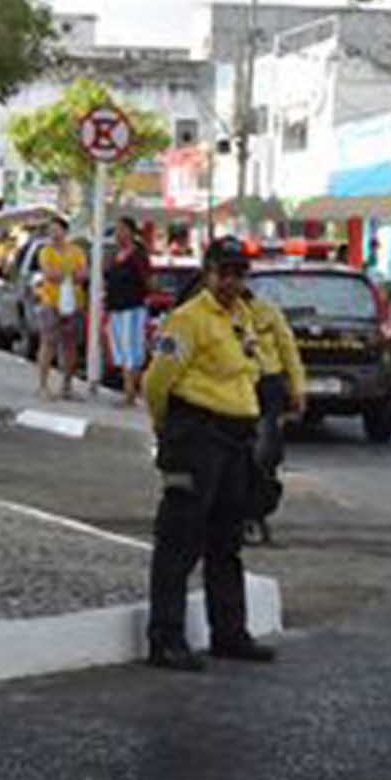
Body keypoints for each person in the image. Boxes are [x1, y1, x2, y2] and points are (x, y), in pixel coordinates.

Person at [140, 236, 275, 671]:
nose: (233, 282)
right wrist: (166, 428)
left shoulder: (241, 318)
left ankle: (229, 634)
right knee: (179, 543)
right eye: (225, 272)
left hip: (235, 440)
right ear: (208, 272)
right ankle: (166, 639)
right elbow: (156, 382)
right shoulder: (187, 320)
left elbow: (249, 370)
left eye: (240, 273)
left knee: (226, 542)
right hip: (197, 435)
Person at [241, 267, 306, 545]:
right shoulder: (213, 316)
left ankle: (256, 514)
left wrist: (298, 388)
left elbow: (288, 349)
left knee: (266, 454)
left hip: (267, 386)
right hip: (233, 387)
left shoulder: (267, 312)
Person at [31, 215, 88, 398]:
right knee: (48, 342)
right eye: (51, 231)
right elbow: (49, 274)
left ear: (65, 231)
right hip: (50, 302)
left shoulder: (77, 252)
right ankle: (43, 385)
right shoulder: (45, 252)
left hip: (74, 303)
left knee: (70, 345)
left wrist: (64, 274)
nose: (54, 234)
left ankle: (67, 386)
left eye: (57, 230)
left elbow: (83, 274)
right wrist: (70, 274)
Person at [104, 217, 154, 406]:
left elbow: (147, 280)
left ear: (131, 232)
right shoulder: (115, 255)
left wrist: (145, 299)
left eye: (122, 229)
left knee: (131, 349)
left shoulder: (138, 255)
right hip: (115, 307)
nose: (118, 234)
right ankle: (129, 389)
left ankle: (130, 392)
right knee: (120, 350)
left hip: (132, 308)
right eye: (117, 230)